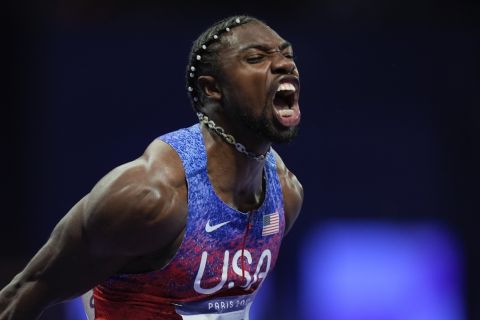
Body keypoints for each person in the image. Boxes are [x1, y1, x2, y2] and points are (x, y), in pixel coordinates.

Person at [0, 15, 303, 320]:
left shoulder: (285, 195)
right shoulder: (149, 197)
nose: (284, 65)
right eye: (255, 58)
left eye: (287, 55)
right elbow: (21, 296)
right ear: (212, 89)